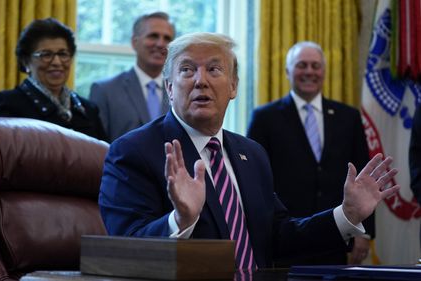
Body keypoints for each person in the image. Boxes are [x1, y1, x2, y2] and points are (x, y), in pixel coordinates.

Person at [98, 32, 399, 269]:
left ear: (233, 86)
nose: (201, 80)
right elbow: (127, 248)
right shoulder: (132, 151)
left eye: (214, 69)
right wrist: (181, 220)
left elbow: (278, 237)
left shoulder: (251, 154)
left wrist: (345, 215)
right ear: (169, 86)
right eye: (187, 70)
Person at [246, 41, 373, 266]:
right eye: (301, 65)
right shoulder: (264, 118)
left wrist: (364, 232)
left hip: (337, 235)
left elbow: (364, 175)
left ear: (324, 71)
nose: (309, 72)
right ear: (287, 71)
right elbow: (255, 179)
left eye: (315, 66)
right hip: (286, 237)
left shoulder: (348, 117)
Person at [0, 18, 107, 141]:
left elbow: (104, 156)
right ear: (26, 62)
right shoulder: (8, 104)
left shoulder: (88, 109)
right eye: (46, 54)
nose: (56, 62)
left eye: (63, 54)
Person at [89, 12, 174, 142]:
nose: (161, 44)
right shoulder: (105, 90)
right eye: (153, 36)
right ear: (134, 42)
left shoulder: (180, 91)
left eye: (167, 38)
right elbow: (96, 148)